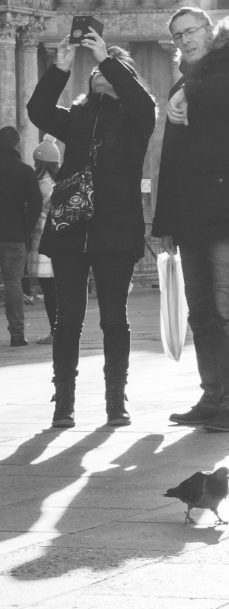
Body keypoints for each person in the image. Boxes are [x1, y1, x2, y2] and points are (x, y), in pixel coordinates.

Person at [28, 30, 156, 426]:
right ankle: (63, 403)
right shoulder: (78, 118)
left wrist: (109, 58)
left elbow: (142, 103)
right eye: (96, 69)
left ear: (123, 76)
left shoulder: (137, 119)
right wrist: (61, 68)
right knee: (67, 319)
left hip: (116, 229)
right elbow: (38, 110)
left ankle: (116, 401)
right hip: (71, 228)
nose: (100, 71)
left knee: (114, 317)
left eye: (109, 69)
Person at [151, 8, 229, 434]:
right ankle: (213, 394)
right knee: (200, 312)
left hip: (227, 210)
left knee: (228, 309)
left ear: (209, 29)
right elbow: (172, 160)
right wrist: (164, 223)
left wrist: (189, 93)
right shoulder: (185, 86)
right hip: (191, 216)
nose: (185, 40)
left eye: (192, 31)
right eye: (178, 36)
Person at [0, 125, 41, 348]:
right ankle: (17, 334)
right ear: (17, 145)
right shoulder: (25, 171)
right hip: (14, 236)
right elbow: (35, 204)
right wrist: (25, 226)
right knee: (13, 284)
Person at [27, 136, 62, 340]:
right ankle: (62, 329)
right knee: (60, 289)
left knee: (49, 290)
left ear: (40, 163)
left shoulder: (40, 184)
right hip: (61, 241)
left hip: (41, 240)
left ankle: (55, 330)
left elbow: (32, 211)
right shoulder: (61, 182)